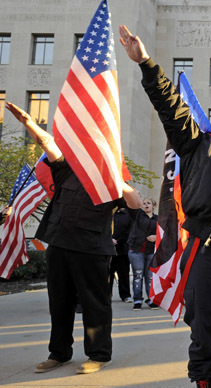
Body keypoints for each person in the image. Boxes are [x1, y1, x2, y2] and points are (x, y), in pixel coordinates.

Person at [120, 26, 211, 388]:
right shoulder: (199, 147)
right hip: (208, 254)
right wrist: (146, 63)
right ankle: (204, 380)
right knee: (204, 331)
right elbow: (170, 106)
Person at [5, 101, 142, 375]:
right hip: (58, 243)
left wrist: (118, 179)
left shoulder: (112, 179)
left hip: (91, 248)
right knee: (59, 302)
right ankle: (59, 353)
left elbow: (136, 203)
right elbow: (48, 145)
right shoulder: (67, 169)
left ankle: (99, 354)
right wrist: (30, 123)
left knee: (95, 305)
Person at [127, 198, 158, 310]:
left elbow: (164, 233)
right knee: (138, 275)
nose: (146, 205)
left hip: (151, 251)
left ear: (154, 205)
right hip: (137, 251)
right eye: (144, 203)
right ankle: (137, 300)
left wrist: (156, 237)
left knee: (150, 277)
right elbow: (132, 206)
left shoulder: (158, 219)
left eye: (148, 203)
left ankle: (151, 299)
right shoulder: (138, 216)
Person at [111, 208, 133, 303]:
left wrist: (118, 240)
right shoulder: (109, 213)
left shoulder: (128, 214)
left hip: (122, 248)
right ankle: (107, 295)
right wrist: (109, 239)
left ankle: (125, 295)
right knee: (108, 274)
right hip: (108, 249)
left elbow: (130, 230)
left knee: (123, 273)